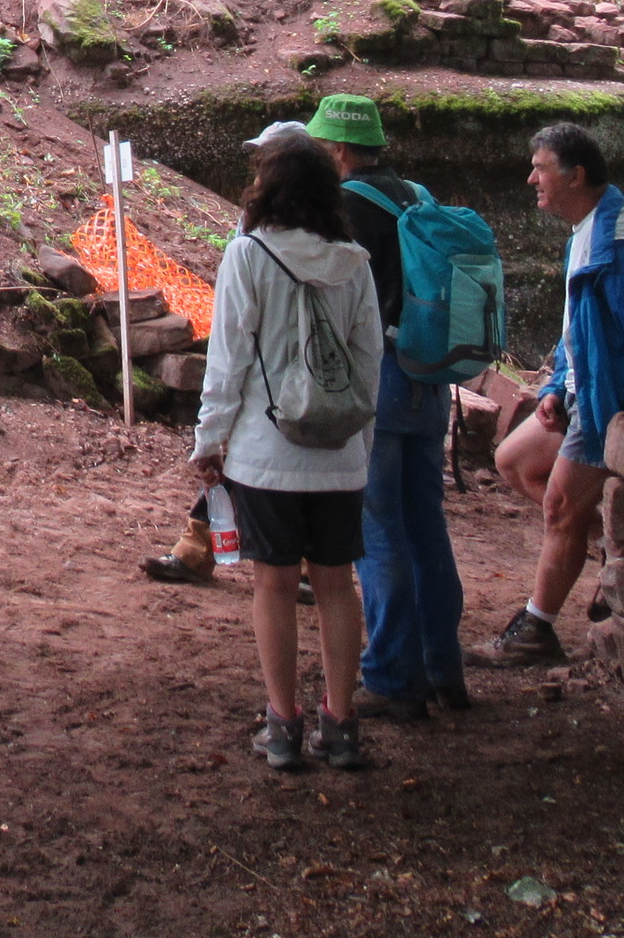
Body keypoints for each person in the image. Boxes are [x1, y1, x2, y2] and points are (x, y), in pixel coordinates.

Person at [470, 123, 624, 667]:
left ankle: (536, 630)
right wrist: (557, 387)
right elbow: (579, 333)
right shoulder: (588, 232)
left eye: (540, 168)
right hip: (586, 392)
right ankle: (613, 555)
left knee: (560, 504)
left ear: (575, 175)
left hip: (615, 400)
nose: (531, 178)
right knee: (514, 461)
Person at [191, 131, 386, 772]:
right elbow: (368, 364)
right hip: (339, 456)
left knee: (273, 585)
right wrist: (360, 445)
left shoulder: (247, 256)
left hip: (264, 453)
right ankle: (342, 723)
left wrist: (209, 440)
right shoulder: (354, 263)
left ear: (267, 188)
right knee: (336, 586)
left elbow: (227, 361)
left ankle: (282, 725)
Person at [301, 93, 472, 723]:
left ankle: (395, 677)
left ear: (339, 149)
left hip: (381, 379)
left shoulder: (344, 208)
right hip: (431, 379)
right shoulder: (417, 197)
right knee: (426, 523)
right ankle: (442, 667)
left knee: (377, 530)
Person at [144, 118, 306, 588]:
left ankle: (278, 565)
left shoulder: (289, 232)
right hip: (276, 376)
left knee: (258, 469)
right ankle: (202, 552)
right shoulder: (303, 226)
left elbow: (238, 331)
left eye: (267, 157)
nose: (258, 166)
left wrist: (211, 429)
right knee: (245, 466)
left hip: (279, 376)